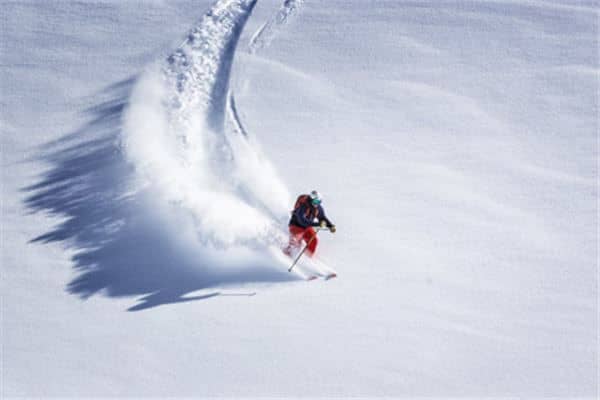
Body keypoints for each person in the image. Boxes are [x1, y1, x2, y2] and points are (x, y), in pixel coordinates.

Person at [283, 190, 336, 258]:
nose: (315, 204)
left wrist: (330, 226)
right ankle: (286, 256)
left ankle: (307, 257)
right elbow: (302, 221)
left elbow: (322, 218)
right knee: (295, 241)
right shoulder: (303, 206)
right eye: (314, 201)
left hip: (307, 227)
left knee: (314, 240)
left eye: (318, 202)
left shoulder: (318, 208)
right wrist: (318, 224)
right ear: (310, 199)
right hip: (296, 226)